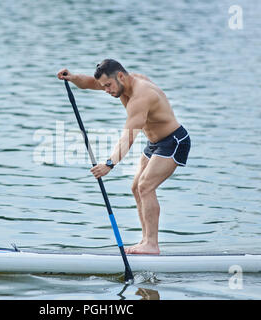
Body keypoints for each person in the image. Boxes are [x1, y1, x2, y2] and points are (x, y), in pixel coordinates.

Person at [57, 59, 191, 254]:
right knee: (136, 187)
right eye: (104, 87)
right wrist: (73, 78)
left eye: (108, 86)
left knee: (146, 186)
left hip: (174, 142)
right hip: (155, 143)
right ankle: (145, 241)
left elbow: (128, 137)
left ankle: (152, 244)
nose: (106, 90)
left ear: (120, 76)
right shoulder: (120, 83)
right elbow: (89, 83)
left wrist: (109, 164)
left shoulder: (141, 95)